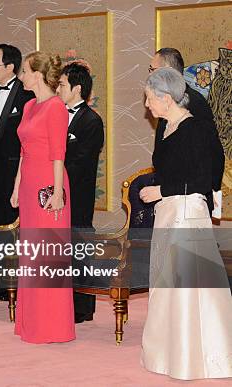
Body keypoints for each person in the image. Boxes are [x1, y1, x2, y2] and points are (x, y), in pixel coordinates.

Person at [139, 68, 230, 380]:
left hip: (187, 214)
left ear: (166, 99)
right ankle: (168, 353)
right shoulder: (165, 127)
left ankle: (196, 356)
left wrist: (163, 190)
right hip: (167, 212)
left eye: (150, 99)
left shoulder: (196, 129)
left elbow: (206, 178)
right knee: (167, 286)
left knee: (190, 288)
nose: (147, 105)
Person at [10, 52, 75, 343]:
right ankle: (32, 323)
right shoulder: (28, 106)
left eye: (23, 71)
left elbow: (58, 154)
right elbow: (23, 152)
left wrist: (58, 193)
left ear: (37, 75)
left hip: (49, 186)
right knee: (31, 254)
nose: (21, 76)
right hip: (28, 184)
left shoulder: (56, 108)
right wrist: (16, 187)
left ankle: (52, 326)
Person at [0, 44, 35, 302]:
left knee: (18, 227)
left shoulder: (26, 96)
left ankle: (22, 283)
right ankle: (4, 282)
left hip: (17, 172)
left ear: (11, 67)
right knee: (1, 226)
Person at [56, 62, 104, 323]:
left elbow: (82, 162)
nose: (58, 89)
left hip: (78, 195)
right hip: (53, 195)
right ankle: (60, 301)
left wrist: (56, 178)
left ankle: (83, 306)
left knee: (79, 248)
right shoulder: (54, 114)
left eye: (62, 84)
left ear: (76, 88)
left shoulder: (91, 121)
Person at [149, 47, 222, 212]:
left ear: (167, 71)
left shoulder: (194, 104)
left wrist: (211, 193)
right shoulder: (166, 101)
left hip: (189, 203)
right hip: (169, 199)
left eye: (152, 70)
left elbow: (213, 154)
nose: (149, 75)